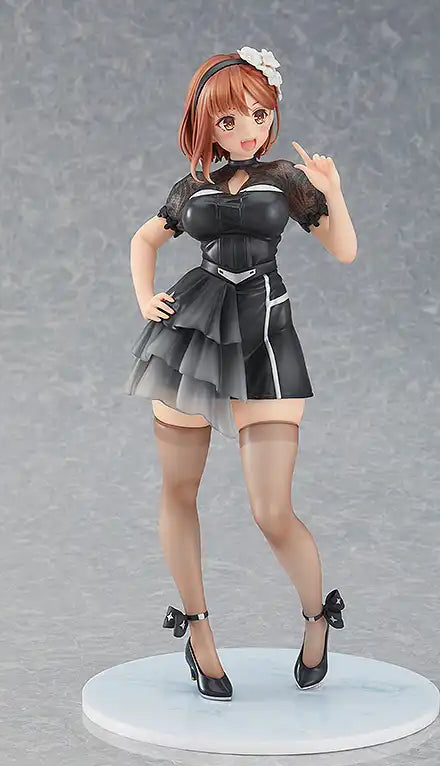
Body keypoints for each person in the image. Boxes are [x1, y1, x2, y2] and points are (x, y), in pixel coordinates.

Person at [124, 47, 357, 700]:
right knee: (179, 490)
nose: (247, 129)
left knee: (272, 511)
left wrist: (334, 192)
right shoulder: (191, 187)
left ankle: (317, 618)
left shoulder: (287, 179)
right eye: (229, 120)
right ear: (206, 126)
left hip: (265, 335)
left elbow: (343, 250)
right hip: (191, 335)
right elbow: (145, 239)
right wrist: (144, 297)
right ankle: (198, 633)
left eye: (259, 114)